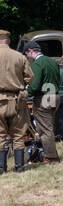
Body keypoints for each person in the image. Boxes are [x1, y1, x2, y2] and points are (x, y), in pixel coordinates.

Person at [0, 30, 32, 173]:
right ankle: (19, 167)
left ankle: (1, 168)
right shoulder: (19, 56)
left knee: (0, 135)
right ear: (8, 40)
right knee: (18, 134)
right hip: (16, 99)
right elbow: (30, 77)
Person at [24, 41, 61, 163]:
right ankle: (50, 154)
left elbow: (34, 86)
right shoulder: (53, 61)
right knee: (49, 127)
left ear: (30, 51)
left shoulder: (37, 64)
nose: (27, 57)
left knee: (45, 129)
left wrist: (26, 92)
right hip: (55, 95)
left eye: (26, 54)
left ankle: (51, 157)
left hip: (44, 98)